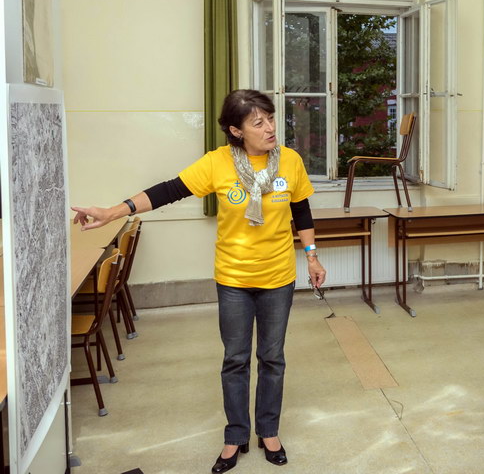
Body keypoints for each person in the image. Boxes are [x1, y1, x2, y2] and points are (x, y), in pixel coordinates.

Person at [71, 90, 326, 473]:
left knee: (272, 358)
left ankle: (268, 431)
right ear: (236, 131)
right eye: (258, 122)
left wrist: (312, 256)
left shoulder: (289, 160)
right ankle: (235, 435)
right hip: (234, 279)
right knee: (235, 359)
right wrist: (113, 211)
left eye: (271, 119)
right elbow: (168, 190)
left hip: (278, 277)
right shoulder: (217, 163)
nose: (270, 128)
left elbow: (301, 210)